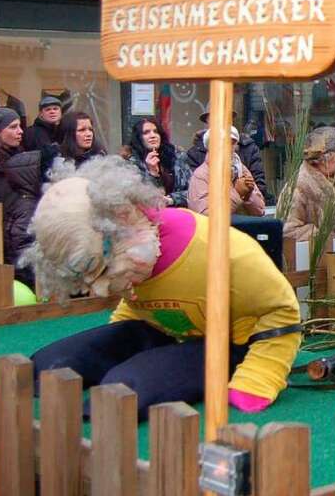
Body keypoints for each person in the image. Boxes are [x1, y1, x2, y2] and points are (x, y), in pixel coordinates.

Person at [21, 156, 302, 419]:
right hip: (165, 329)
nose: (102, 291)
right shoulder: (136, 255)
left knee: (128, 385)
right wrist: (118, 339)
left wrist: (262, 372)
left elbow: (281, 309)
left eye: (103, 270)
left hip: (230, 339)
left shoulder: (222, 252)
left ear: (124, 219)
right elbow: (139, 302)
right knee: (50, 363)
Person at [0, 106, 51, 286]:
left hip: (26, 241)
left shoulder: (23, 159)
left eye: (19, 126)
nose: (20, 132)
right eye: (13, 127)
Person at [281, 128, 335, 246]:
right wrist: (320, 235)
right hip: (306, 260)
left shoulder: (331, 180)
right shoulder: (299, 188)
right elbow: (288, 231)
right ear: (326, 157)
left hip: (325, 257)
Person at [186, 111, 268, 198]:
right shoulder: (195, 153)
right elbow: (195, 191)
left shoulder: (248, 148)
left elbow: (259, 187)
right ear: (207, 122)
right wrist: (236, 193)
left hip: (245, 208)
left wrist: (246, 193)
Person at [187, 127, 265, 216]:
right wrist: (237, 193)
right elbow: (205, 215)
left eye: (233, 142)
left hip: (244, 229)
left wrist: (248, 196)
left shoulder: (242, 169)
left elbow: (260, 211)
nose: (229, 146)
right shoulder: (201, 175)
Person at [126, 117, 190, 207]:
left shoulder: (176, 156)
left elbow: (193, 192)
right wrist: (152, 174)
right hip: (147, 215)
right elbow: (140, 198)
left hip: (178, 211)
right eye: (146, 132)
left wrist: (171, 199)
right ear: (139, 138)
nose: (153, 135)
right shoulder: (131, 162)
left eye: (156, 131)